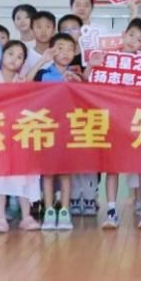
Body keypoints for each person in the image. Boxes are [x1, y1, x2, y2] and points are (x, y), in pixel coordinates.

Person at [0, 41, 40, 232]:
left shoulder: (21, 81)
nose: (14, 59)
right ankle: (1, 218)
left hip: (18, 135)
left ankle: (26, 217)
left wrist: (42, 61)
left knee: (23, 175)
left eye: (20, 57)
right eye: (10, 53)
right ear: (1, 55)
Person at [101, 18, 141, 230]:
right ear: (124, 33)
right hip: (112, 121)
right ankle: (111, 211)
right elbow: (91, 82)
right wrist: (92, 66)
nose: (133, 40)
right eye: (131, 35)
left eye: (139, 39)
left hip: (137, 121)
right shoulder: (106, 58)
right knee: (112, 168)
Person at [33, 33, 83, 231]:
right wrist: (42, 61)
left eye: (70, 49)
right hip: (46, 129)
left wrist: (77, 83)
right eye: (60, 48)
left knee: (65, 174)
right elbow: (25, 86)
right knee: (47, 173)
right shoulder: (43, 74)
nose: (65, 53)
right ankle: (48, 211)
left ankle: (64, 210)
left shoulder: (76, 76)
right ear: (52, 51)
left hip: (68, 130)